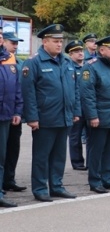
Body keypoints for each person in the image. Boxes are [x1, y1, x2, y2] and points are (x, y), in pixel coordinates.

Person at [22, 24, 80, 202]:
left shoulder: (67, 62)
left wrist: (75, 111)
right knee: (42, 156)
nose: (59, 44)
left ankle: (56, 186)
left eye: (61, 41)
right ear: (45, 41)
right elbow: (28, 92)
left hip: (64, 116)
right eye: (55, 41)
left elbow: (74, 90)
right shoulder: (34, 62)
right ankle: (40, 188)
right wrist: (32, 117)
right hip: (45, 117)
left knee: (59, 155)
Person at [80, 34, 110, 194]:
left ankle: (108, 179)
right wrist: (92, 116)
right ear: (101, 50)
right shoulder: (91, 67)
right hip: (100, 117)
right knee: (97, 150)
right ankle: (95, 180)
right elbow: (88, 94)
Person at [0, 38, 23, 207]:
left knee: (3, 155)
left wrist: (17, 111)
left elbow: (16, 88)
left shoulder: (9, 59)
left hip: (6, 115)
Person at [2, 31, 26, 192]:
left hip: (13, 113)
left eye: (17, 43)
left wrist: (18, 111)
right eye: (13, 42)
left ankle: (9, 180)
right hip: (3, 113)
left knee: (12, 148)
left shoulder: (17, 61)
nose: (15, 46)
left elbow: (19, 89)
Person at [65, 40, 87, 171]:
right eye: (76, 52)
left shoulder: (87, 67)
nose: (80, 53)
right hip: (75, 108)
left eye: (81, 51)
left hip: (88, 108)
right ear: (70, 54)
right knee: (75, 137)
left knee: (90, 137)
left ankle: (91, 162)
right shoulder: (69, 68)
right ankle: (77, 162)